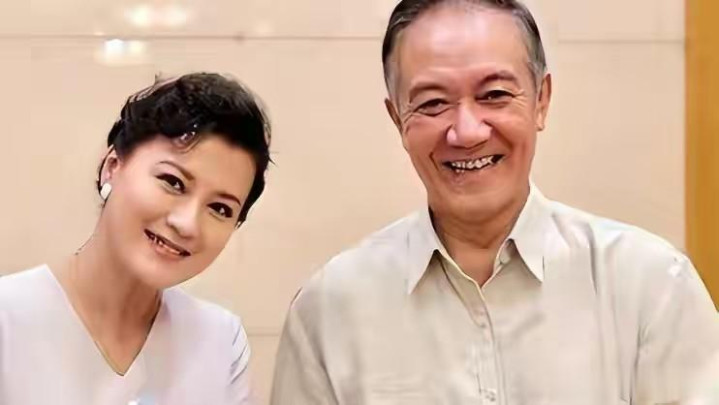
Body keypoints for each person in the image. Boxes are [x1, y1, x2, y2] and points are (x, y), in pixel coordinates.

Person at [270, 1, 719, 404]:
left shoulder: (651, 286)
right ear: (397, 119)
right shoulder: (330, 310)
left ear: (541, 100)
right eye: (432, 103)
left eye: (495, 95)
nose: (467, 131)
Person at [0, 72, 271, 405]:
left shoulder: (219, 341)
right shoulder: (8, 320)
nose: (187, 224)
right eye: (173, 182)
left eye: (220, 208)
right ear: (112, 166)